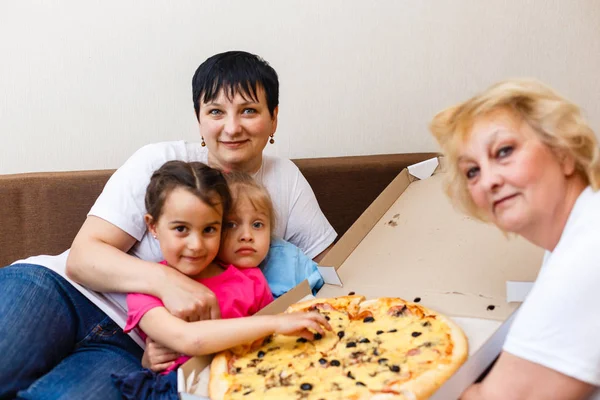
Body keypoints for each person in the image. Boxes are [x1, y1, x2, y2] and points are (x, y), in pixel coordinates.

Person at [0, 51, 336, 399]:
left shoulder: (285, 180)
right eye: (216, 111)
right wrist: (168, 282)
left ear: (274, 118)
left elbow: (334, 270)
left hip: (136, 349)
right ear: (199, 118)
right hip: (62, 290)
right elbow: (82, 259)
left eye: (249, 110)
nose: (232, 127)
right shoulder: (159, 161)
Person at [429, 78, 600, 400]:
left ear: (563, 153)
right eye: (472, 171)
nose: (489, 180)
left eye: (504, 151)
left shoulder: (587, 252)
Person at [112, 161, 330, 399]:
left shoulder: (250, 279)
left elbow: (268, 346)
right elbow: (189, 340)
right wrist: (275, 323)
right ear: (153, 226)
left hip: (250, 381)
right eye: (181, 229)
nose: (196, 245)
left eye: (209, 230)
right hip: (183, 389)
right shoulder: (146, 290)